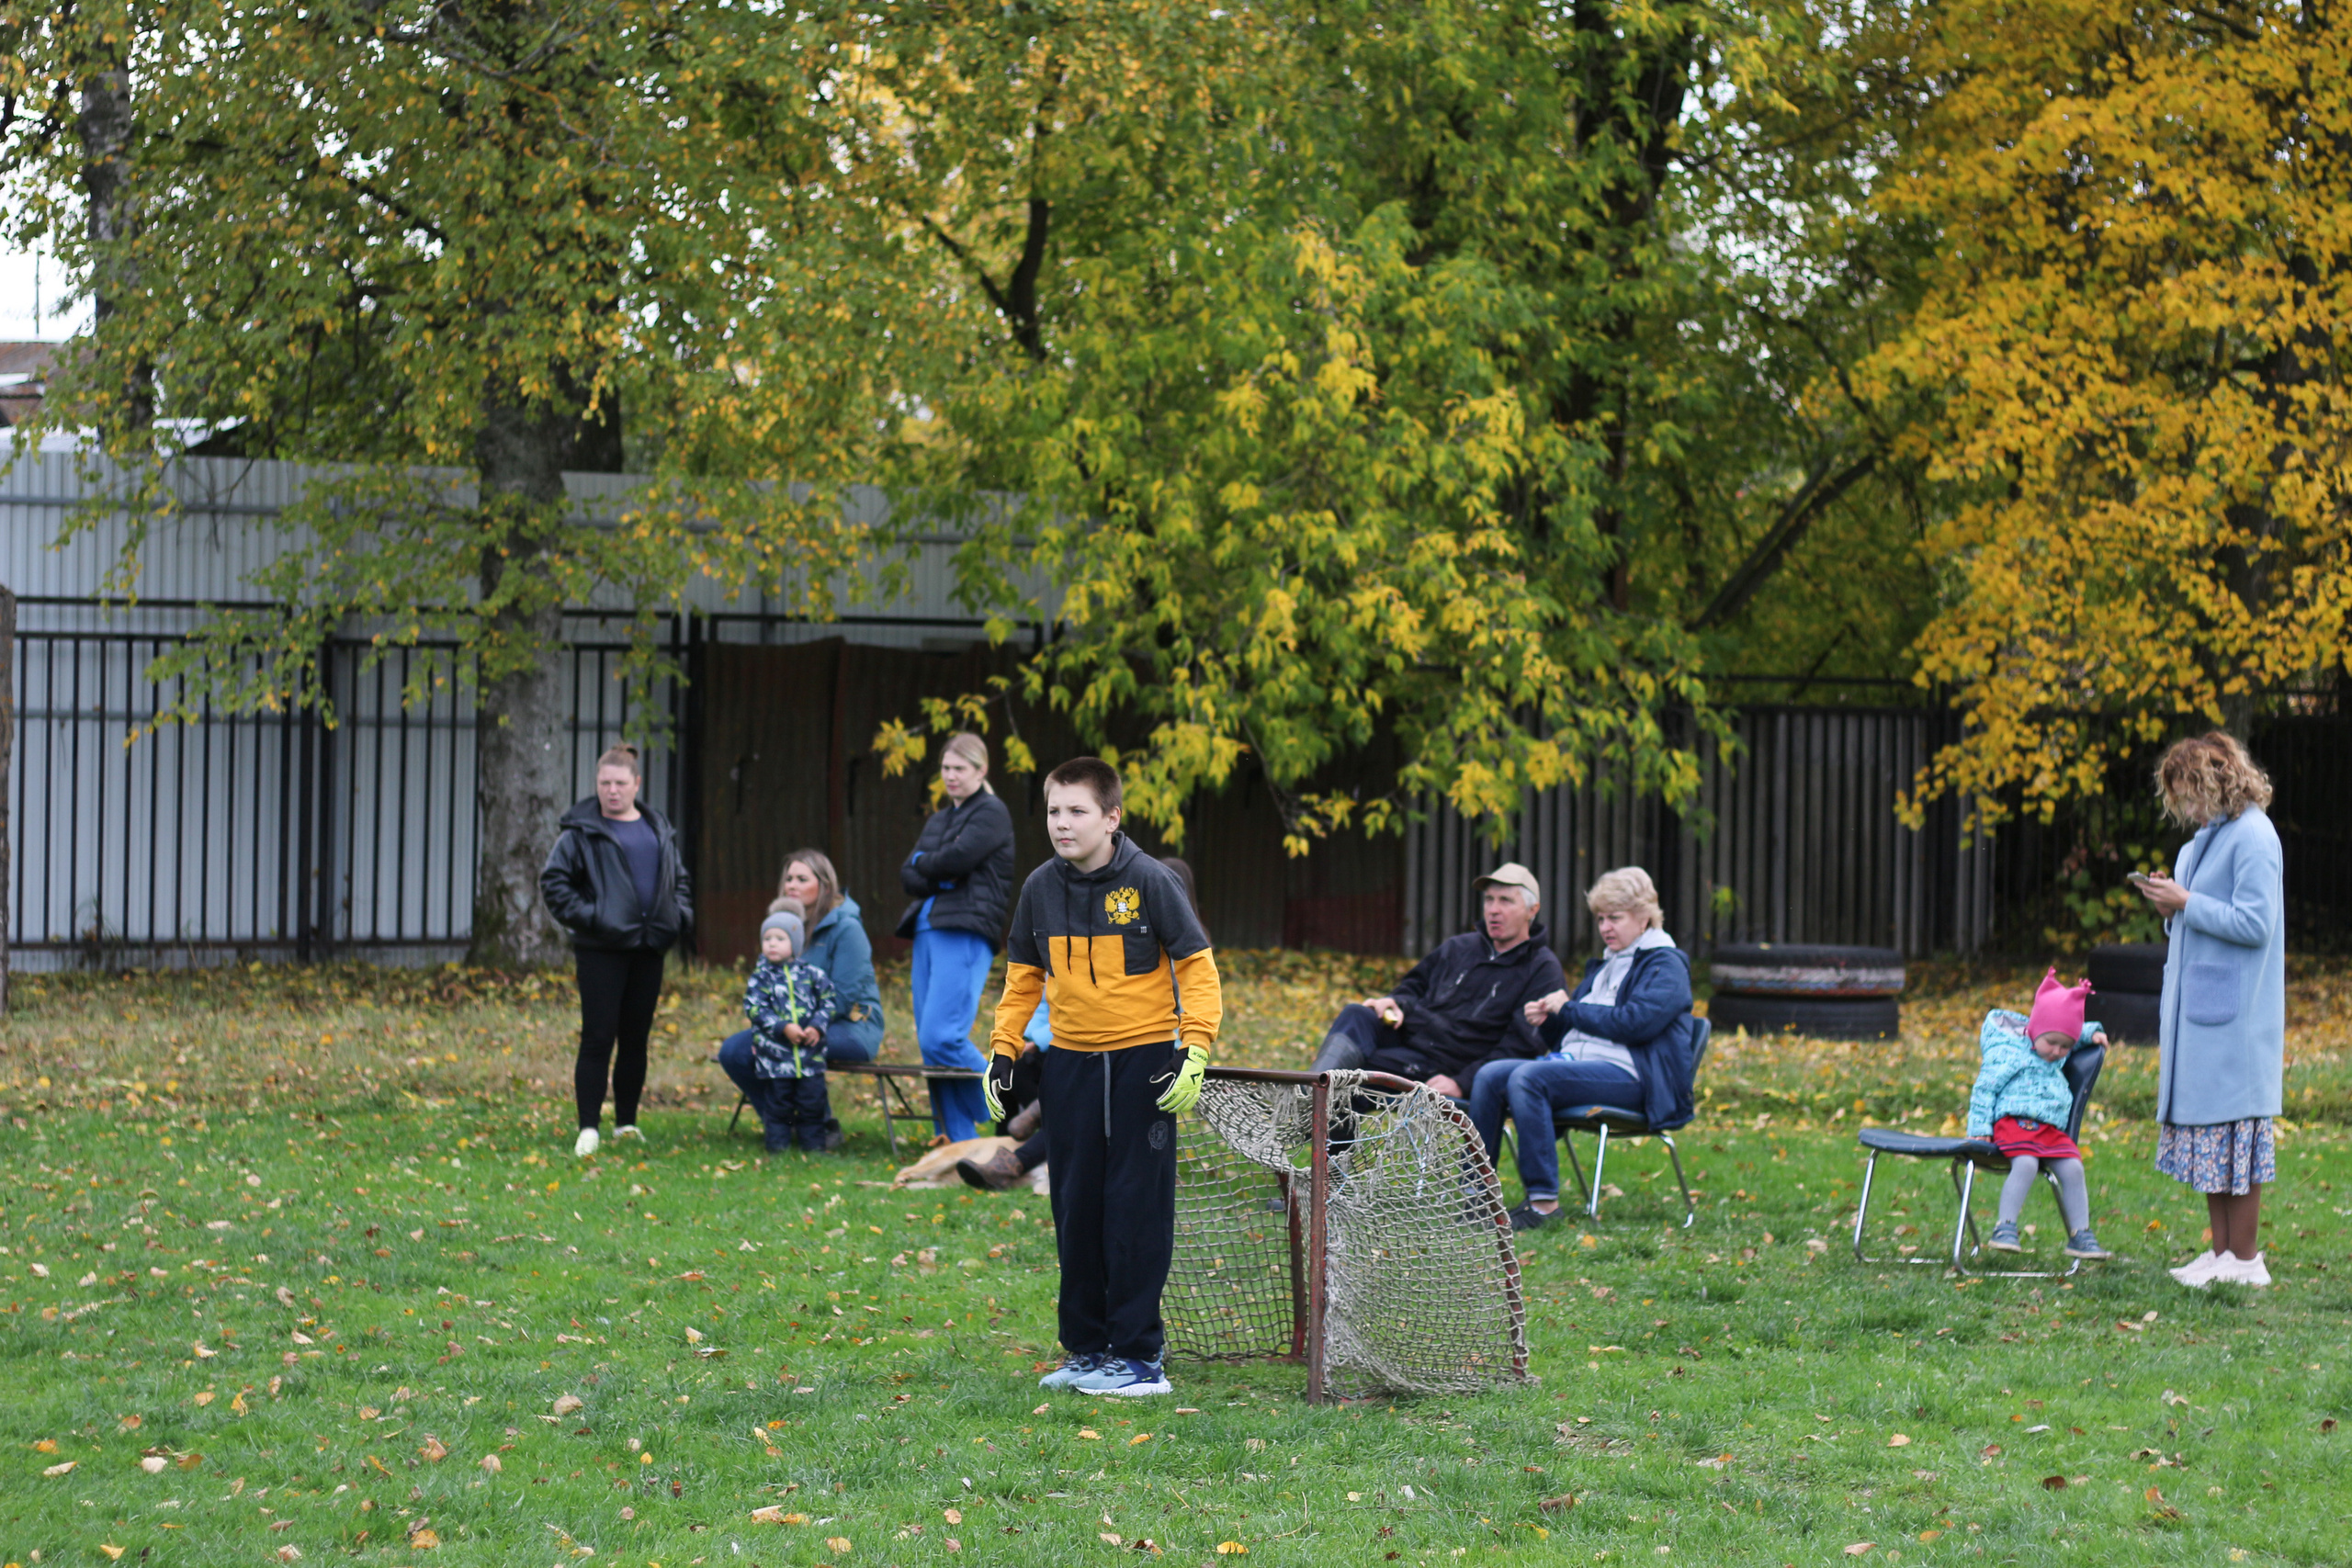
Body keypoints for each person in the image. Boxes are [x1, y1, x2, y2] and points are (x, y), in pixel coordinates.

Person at [986, 759, 1220, 1397]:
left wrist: (1194, 1049)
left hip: (1142, 1062)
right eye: (1054, 810)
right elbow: (1022, 979)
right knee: (1076, 1205)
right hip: (1070, 1063)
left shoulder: (1149, 880)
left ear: (1112, 817)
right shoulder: (1039, 886)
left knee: (1135, 1208)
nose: (1062, 823)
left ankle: (1140, 1356)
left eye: (1077, 811)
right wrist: (1004, 1050)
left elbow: (1197, 968)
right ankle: (1087, 1349)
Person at [2134, 731, 2286, 1289]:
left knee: (2237, 1141)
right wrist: (2171, 905)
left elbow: (2253, 924)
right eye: (2178, 797)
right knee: (2211, 1142)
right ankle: (2221, 1255)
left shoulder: (2254, 836)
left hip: (2238, 1021)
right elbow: (2195, 920)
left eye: (2191, 793)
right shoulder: (2199, 842)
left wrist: (2187, 902)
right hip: (2200, 1014)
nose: (2187, 808)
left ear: (2218, 781)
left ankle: (2245, 1260)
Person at [960, 856, 1206, 1192]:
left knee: (1086, 1112)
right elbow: (1045, 991)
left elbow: (1184, 1007)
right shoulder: (1053, 902)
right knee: (1035, 1076)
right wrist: (1026, 1040)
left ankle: (1018, 1154)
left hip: (1152, 1053)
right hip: (1073, 1047)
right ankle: (1019, 1142)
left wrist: (1190, 1049)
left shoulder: (1173, 949)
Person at [1472, 866, 1693, 1230]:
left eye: (1615, 918)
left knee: (1529, 1077)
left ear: (1644, 918)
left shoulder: (1666, 965)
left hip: (1637, 1081)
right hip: (1588, 1068)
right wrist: (1551, 1020)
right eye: (1601, 919)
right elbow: (1575, 1035)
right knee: (1491, 1075)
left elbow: (1634, 1024)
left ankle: (1543, 1206)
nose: (1605, 928)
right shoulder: (1608, 964)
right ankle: (1474, 1196)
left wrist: (1569, 1008)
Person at [540, 742, 692, 1159]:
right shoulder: (580, 832)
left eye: (620, 783)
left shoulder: (657, 828)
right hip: (601, 950)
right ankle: (589, 1127)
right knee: (598, 1038)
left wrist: (678, 918)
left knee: (636, 1039)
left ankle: (627, 1123)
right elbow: (554, 882)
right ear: (596, 784)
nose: (612, 791)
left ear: (636, 784)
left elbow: (678, 879)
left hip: (649, 948)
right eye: (604, 782)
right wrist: (594, 916)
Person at [1312, 863, 1564, 1100]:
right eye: (1489, 899)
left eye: (1506, 901)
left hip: (1448, 1065)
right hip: (1410, 1039)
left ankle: (1311, 1103)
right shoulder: (1458, 947)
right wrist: (1395, 1002)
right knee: (1358, 1014)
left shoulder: (1542, 969)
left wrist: (1463, 1082)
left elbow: (1520, 1047)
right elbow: (1413, 988)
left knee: (1351, 1078)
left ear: (1533, 910)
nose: (1493, 909)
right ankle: (1309, 1092)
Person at [898, 732, 1017, 1144]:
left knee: (942, 1035)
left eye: (959, 768)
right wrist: (938, 869)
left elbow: (958, 859)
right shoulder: (940, 819)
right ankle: (956, 1138)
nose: (950, 776)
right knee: (930, 1046)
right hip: (927, 928)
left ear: (981, 770)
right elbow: (909, 874)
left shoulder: (992, 812)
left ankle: (1008, 1106)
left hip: (965, 929)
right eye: (946, 768)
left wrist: (930, 864)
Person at [1967, 968, 2112, 1259]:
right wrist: (1979, 1126)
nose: (2058, 1052)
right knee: (2026, 1164)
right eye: (2052, 1043)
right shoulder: (2010, 1052)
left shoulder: (2057, 1043)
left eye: (2065, 1046)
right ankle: (2005, 1226)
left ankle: (2080, 1234)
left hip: (2050, 1128)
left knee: (2073, 1168)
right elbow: (1985, 1088)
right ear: (2034, 1031)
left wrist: (2092, 1032)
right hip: (2014, 1122)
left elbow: (2070, 1027)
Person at [734, 906, 839, 1153]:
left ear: (796, 943)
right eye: (767, 939)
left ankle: (814, 1148)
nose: (772, 944)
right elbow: (754, 1008)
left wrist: (817, 1027)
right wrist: (783, 1027)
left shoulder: (812, 974)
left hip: (809, 1057)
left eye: (780, 939)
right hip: (775, 1059)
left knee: (812, 1103)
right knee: (779, 1105)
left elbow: (829, 1001)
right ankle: (778, 1148)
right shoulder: (761, 978)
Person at [778, 849, 886, 1066]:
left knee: (780, 1047)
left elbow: (842, 998)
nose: (791, 885)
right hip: (799, 1023)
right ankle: (778, 1102)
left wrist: (798, 1024)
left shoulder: (847, 928)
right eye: (788, 879)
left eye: (802, 879)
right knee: (734, 1052)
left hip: (852, 1028)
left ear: (825, 886)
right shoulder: (784, 930)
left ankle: (805, 1101)